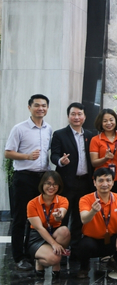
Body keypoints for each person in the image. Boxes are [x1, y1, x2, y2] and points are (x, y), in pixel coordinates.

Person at [5, 94, 53, 271]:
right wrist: (27, 156)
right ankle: (19, 256)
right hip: (24, 177)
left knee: (37, 219)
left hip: (42, 179)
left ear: (47, 108)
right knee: (20, 218)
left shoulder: (48, 129)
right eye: (37, 105)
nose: (41, 108)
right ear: (29, 107)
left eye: (44, 105)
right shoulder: (19, 128)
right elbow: (8, 152)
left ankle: (32, 252)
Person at [50, 102, 94, 249]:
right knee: (62, 217)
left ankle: (75, 250)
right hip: (66, 182)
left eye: (79, 114)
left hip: (85, 183)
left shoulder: (90, 135)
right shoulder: (59, 134)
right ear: (68, 116)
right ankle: (60, 249)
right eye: (73, 114)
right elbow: (54, 155)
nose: (76, 117)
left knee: (79, 217)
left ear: (84, 116)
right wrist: (60, 161)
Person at [77, 168, 117, 279]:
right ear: (94, 182)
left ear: (113, 182)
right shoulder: (85, 199)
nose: (105, 184)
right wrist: (93, 211)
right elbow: (84, 219)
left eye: (108, 180)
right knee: (84, 246)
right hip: (93, 240)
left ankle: (114, 262)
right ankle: (84, 268)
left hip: (111, 239)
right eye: (101, 180)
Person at [26, 171, 70, 280]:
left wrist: (58, 216)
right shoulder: (32, 203)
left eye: (55, 184)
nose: (51, 187)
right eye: (48, 183)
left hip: (54, 232)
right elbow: (39, 228)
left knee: (64, 231)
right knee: (54, 258)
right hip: (37, 236)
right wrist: (54, 244)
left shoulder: (63, 200)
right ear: (42, 184)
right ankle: (39, 260)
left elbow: (61, 214)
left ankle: (56, 263)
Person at [89, 109, 117, 197]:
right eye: (105, 121)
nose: (109, 123)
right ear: (100, 123)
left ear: (116, 121)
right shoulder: (95, 139)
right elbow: (94, 162)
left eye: (111, 120)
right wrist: (105, 158)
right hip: (102, 179)